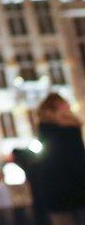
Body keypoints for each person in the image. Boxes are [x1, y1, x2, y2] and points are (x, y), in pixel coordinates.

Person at [36, 93, 85, 225]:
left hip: (57, 193)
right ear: (58, 106)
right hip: (74, 190)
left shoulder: (45, 128)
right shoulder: (70, 128)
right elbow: (77, 159)